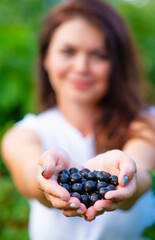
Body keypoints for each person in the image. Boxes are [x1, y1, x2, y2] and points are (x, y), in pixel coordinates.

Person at [1, 0, 155, 239]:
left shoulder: (146, 123)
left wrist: (128, 177)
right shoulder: (25, 133)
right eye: (68, 51)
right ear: (46, 59)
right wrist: (44, 177)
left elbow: (142, 169)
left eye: (99, 55)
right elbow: (28, 173)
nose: (82, 67)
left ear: (116, 65)